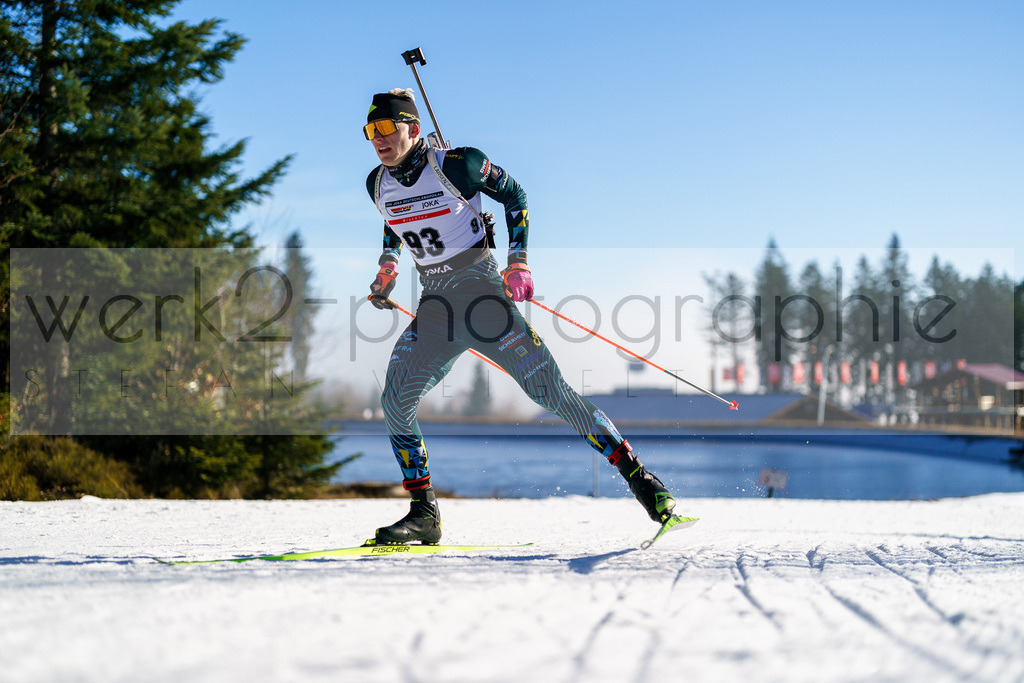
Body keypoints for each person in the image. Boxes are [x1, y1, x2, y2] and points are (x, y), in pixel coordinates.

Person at [363, 88, 677, 544]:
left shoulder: (458, 165)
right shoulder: (376, 182)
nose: (379, 138)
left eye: (388, 127)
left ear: (413, 128)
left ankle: (641, 480)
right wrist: (388, 265)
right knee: (395, 400)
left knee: (551, 393)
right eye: (371, 131)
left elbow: (516, 195)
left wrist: (519, 261)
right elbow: (394, 218)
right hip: (436, 306)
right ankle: (424, 513)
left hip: (483, 296)